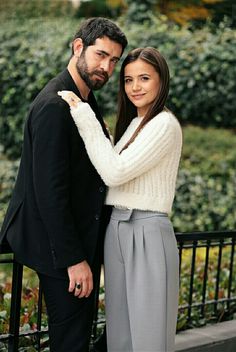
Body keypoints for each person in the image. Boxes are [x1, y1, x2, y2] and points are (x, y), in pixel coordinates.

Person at [0, 17, 127, 352]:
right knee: (71, 341)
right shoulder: (55, 106)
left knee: (79, 335)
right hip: (57, 248)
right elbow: (49, 192)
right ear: (77, 47)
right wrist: (74, 260)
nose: (106, 67)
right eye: (101, 55)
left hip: (77, 239)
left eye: (114, 60)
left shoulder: (84, 98)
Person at [59, 47, 182, 352]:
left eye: (144, 78)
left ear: (161, 81)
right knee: (120, 337)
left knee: (148, 338)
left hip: (147, 230)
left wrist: (83, 114)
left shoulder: (164, 124)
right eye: (128, 80)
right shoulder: (133, 125)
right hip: (117, 228)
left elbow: (114, 173)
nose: (135, 87)